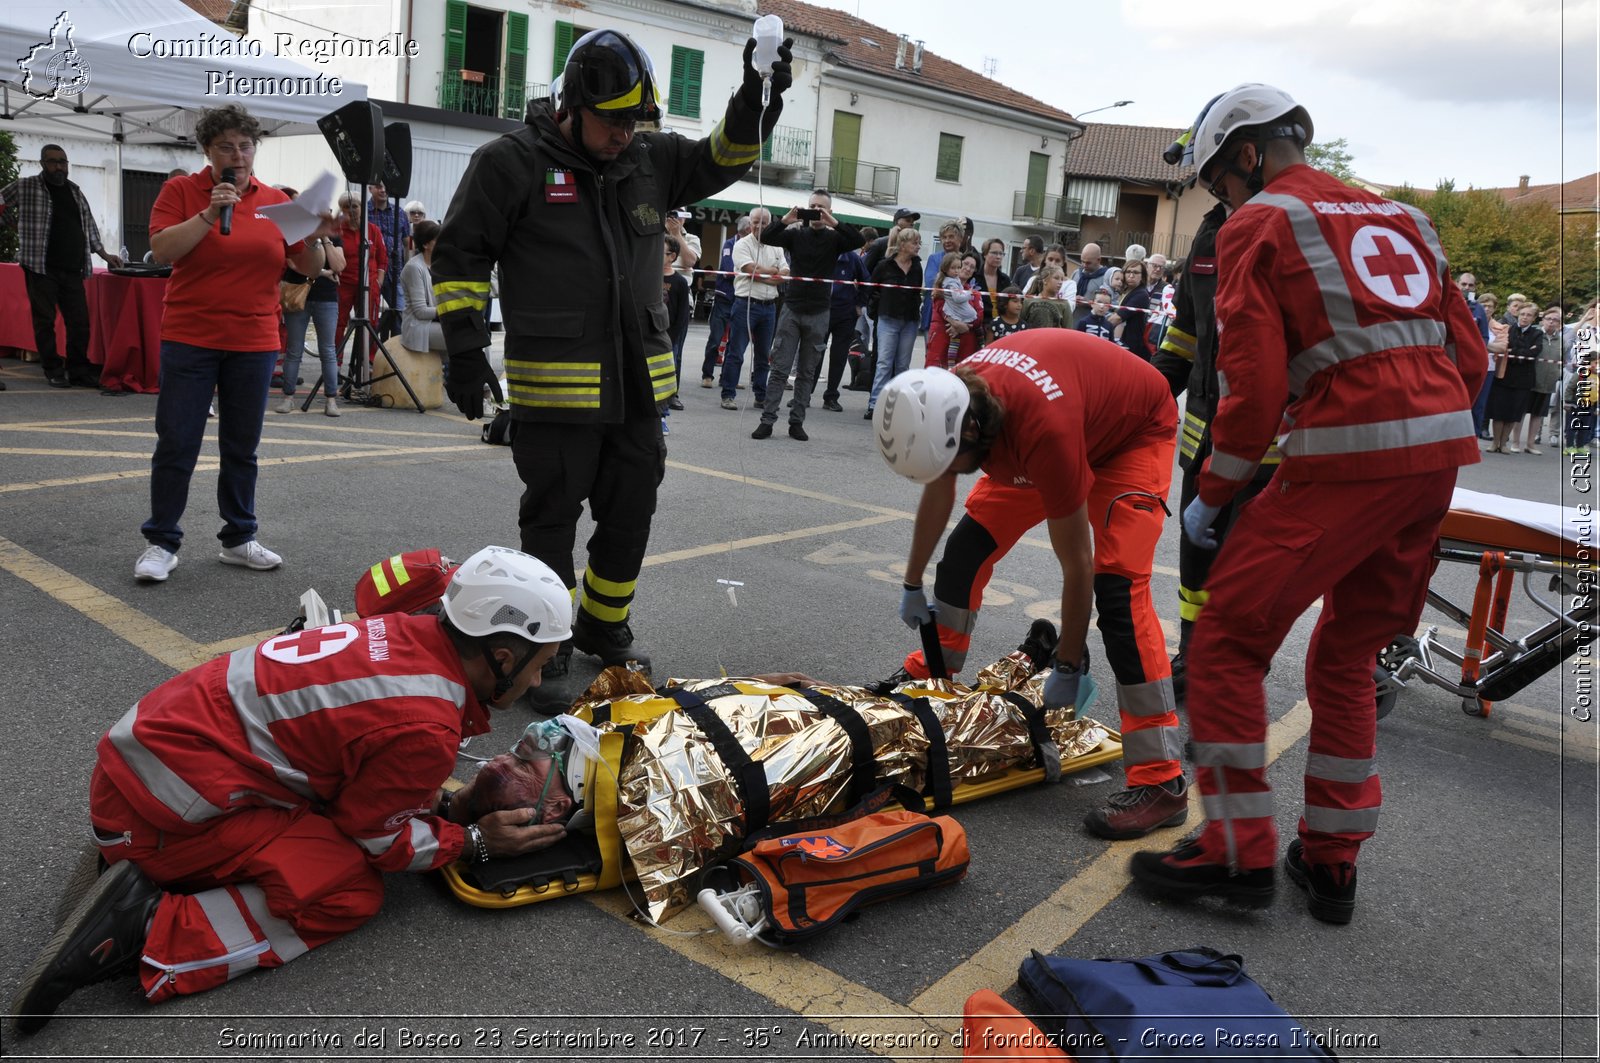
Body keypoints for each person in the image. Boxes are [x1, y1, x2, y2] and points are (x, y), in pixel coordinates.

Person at [1128, 84, 1484, 923]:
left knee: (1223, 644)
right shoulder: (1409, 221)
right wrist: (1420, 440)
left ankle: (1234, 852)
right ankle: (1330, 864)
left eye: (1220, 178)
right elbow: (1467, 359)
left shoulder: (1261, 224)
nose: (1223, 196)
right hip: (1433, 463)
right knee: (1347, 654)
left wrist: (1216, 491)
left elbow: (1248, 393)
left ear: (1249, 154)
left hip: (1347, 460)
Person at [9, 547, 573, 1032]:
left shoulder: (404, 632)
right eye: (540, 665)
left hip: (143, 770)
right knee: (348, 889)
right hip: (160, 815)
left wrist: (441, 806)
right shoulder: (424, 723)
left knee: (348, 818)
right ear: (503, 656)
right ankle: (147, 930)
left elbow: (356, 761)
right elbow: (378, 840)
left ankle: (145, 859)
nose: (539, 681)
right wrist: (472, 843)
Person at [431, 27, 792, 684]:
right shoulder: (509, 163)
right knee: (551, 522)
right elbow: (460, 255)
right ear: (572, 103)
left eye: (635, 119)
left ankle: (603, 623)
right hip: (556, 394)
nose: (625, 132)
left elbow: (722, 156)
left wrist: (755, 97)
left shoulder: (648, 159)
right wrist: (464, 346)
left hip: (636, 391)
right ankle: (550, 640)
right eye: (612, 120)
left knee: (632, 511)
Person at [874, 335, 1186, 839]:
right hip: (1052, 420)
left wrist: (1065, 663)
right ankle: (934, 677)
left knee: (1118, 594)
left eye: (954, 461)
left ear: (973, 431)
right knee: (964, 554)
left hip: (1130, 434)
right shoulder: (950, 400)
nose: (949, 473)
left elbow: (1077, 564)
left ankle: (1161, 780)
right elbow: (940, 490)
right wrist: (912, 582)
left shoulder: (1045, 434)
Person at [134, 104, 339, 584]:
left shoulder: (274, 201)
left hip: (254, 339)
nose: (238, 154)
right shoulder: (182, 191)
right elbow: (162, 250)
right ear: (208, 150)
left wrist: (314, 234)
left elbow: (306, 268)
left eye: (245, 145)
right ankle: (161, 542)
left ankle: (239, 538)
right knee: (177, 442)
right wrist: (210, 214)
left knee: (241, 446)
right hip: (191, 336)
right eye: (226, 145)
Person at [0, 143, 123, 388]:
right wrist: (12, 224)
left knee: (79, 322)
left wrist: (104, 253)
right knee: (44, 321)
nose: (59, 167)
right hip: (40, 265)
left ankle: (78, 370)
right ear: (42, 164)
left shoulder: (74, 191)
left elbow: (89, 226)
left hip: (72, 267)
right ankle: (53, 369)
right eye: (53, 161)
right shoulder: (26, 186)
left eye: (63, 162)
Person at [752, 191, 861, 441]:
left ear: (830, 211)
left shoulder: (835, 240)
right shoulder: (795, 235)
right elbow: (765, 237)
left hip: (820, 311)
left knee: (807, 372)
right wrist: (787, 219)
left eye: (821, 207)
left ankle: (796, 422)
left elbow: (856, 240)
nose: (816, 211)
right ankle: (767, 421)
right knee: (779, 368)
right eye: (812, 206)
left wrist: (833, 222)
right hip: (792, 308)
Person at [277, 188, 347, 417]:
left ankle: (330, 400)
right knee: (294, 349)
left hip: (326, 298)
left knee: (328, 350)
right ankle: (288, 397)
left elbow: (338, 265)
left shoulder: (333, 236)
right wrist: (322, 273)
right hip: (298, 293)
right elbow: (291, 263)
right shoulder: (295, 233)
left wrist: (323, 236)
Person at [721, 206, 788, 410]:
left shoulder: (777, 246)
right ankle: (728, 395)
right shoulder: (741, 245)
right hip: (745, 303)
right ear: (749, 223)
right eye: (756, 222)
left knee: (763, 356)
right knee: (736, 352)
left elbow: (785, 273)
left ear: (770, 223)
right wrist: (772, 274)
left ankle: (761, 396)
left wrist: (764, 274)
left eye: (764, 222)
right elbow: (751, 271)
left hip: (769, 307)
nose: (759, 226)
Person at [865, 225, 924, 419]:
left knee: (902, 365)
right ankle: (874, 403)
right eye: (915, 243)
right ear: (903, 244)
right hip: (888, 317)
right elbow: (872, 289)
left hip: (909, 319)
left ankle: (897, 405)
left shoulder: (917, 266)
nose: (918, 246)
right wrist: (875, 309)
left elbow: (917, 291)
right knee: (884, 362)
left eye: (919, 242)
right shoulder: (884, 265)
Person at [820, 227, 871, 411]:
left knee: (839, 356)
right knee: (815, 353)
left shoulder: (853, 258)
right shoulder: (823, 253)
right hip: (821, 310)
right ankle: (805, 394)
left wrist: (859, 304)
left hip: (845, 313)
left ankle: (831, 397)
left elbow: (866, 281)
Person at [333, 192, 388, 359]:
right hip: (343, 283)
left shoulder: (373, 230)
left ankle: (367, 361)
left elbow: (383, 260)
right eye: (346, 207)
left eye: (355, 206)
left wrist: (378, 282)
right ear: (342, 210)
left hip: (369, 284)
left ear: (362, 208)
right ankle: (336, 362)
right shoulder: (336, 231)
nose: (351, 210)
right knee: (339, 323)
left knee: (370, 323)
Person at [700, 215, 751, 388]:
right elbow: (729, 269)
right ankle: (707, 375)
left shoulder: (753, 246)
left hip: (741, 298)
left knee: (735, 342)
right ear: (746, 229)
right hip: (724, 297)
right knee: (716, 338)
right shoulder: (730, 244)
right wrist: (749, 268)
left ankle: (728, 378)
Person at [1487, 302, 1543, 454]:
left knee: (1513, 412)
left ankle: (1504, 443)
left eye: (1529, 315)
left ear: (1534, 318)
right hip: (1504, 374)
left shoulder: (1537, 334)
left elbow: (1534, 352)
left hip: (1523, 379)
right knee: (1498, 411)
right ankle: (1495, 442)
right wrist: (1522, 351)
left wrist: (1515, 351)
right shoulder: (1508, 329)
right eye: (1523, 314)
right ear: (1518, 314)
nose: (1525, 317)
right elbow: (1504, 347)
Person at [399, 219, 448, 368]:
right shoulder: (414, 268)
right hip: (418, 326)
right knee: (464, 338)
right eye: (438, 240)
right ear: (426, 245)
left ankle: (477, 385)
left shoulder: (440, 264)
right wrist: (449, 310)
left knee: (477, 336)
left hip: (435, 322)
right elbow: (420, 312)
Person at [366, 182, 411, 336]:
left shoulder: (400, 212)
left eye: (386, 186)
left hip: (395, 272)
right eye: (378, 186)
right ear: (370, 188)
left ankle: (398, 352)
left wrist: (408, 266)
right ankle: (369, 352)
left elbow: (408, 243)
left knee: (401, 313)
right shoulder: (364, 211)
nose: (383, 190)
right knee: (369, 315)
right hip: (371, 272)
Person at [1457, 273, 1494, 437]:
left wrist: (1478, 353)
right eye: (1463, 284)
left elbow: (1484, 336)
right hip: (1450, 360)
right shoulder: (1448, 303)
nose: (1466, 288)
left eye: (1470, 285)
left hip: (1469, 363)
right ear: (1457, 284)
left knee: (1472, 402)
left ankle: (1471, 437)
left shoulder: (1477, 308)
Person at [660, 235, 692, 429]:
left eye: (661, 251)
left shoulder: (680, 282)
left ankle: (663, 415)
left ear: (672, 256)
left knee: (665, 377)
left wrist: (673, 338)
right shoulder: (647, 275)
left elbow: (682, 316)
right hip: (650, 335)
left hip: (669, 336)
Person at [930, 251, 980, 370]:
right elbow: (939, 305)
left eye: (972, 267)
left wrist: (966, 326)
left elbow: (979, 316)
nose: (967, 268)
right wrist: (954, 322)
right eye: (965, 264)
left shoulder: (974, 291)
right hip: (942, 337)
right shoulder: (943, 287)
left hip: (965, 344)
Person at [1110, 258, 1152, 360]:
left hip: (1132, 346)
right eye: (1128, 272)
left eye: (1136, 272)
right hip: (1121, 342)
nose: (1131, 275)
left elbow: (1118, 318)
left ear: (1142, 276)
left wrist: (1101, 326)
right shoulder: (1126, 291)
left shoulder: (1141, 294)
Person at [1066, 243, 1114, 326]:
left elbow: (1110, 303)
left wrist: (1088, 302)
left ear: (1099, 260)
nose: (1084, 265)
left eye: (1088, 263)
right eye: (1082, 261)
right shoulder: (1076, 273)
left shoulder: (1107, 277)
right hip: (1072, 321)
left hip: (1092, 325)